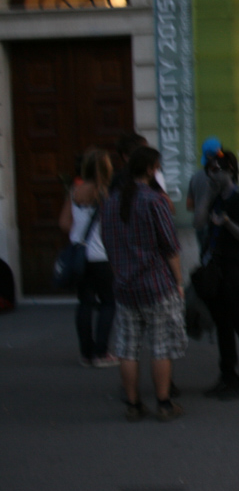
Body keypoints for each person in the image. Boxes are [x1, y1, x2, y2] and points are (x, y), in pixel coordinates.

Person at [101, 146, 185, 422]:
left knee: (128, 347)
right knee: (160, 346)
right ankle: (163, 402)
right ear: (150, 169)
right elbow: (170, 245)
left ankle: (134, 405)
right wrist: (179, 280)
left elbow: (108, 244)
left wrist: (119, 272)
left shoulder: (112, 202)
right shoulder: (154, 201)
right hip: (156, 283)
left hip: (125, 285)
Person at [198, 150, 239, 400]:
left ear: (230, 171)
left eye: (217, 170)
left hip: (234, 268)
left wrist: (227, 223)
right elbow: (198, 223)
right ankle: (227, 375)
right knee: (222, 325)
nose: (212, 175)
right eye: (209, 170)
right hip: (215, 268)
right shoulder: (214, 197)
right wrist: (208, 196)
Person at [59, 148, 118, 367]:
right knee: (108, 303)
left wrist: (79, 232)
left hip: (80, 256)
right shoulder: (107, 194)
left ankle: (86, 352)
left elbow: (64, 223)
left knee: (84, 302)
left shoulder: (74, 190)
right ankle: (101, 352)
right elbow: (113, 228)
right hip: (102, 256)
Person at [188, 137, 223, 252]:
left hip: (200, 223)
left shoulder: (195, 177)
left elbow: (189, 205)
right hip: (219, 224)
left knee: (205, 258)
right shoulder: (224, 177)